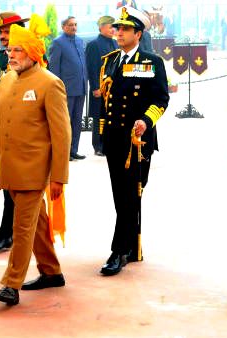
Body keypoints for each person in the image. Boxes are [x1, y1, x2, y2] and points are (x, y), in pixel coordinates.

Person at [0, 14, 71, 306]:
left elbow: (62, 135)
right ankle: (51, 271)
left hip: (35, 171)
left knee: (21, 227)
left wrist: (59, 176)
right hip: (9, 169)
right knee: (34, 224)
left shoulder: (51, 83)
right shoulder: (8, 79)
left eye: (17, 50)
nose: (11, 55)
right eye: (10, 50)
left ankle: (11, 284)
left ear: (33, 53)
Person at [98, 6, 169, 276]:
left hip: (137, 141)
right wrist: (102, 134)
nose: (119, 33)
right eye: (118, 28)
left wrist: (146, 121)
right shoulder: (110, 61)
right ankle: (132, 246)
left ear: (138, 33)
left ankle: (119, 250)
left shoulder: (152, 62)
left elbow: (161, 99)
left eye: (125, 29)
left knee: (130, 194)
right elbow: (105, 104)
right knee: (121, 195)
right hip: (114, 139)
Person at [0, 11, 30, 251]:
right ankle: (8, 231)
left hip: (24, 130)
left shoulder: (33, 58)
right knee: (6, 182)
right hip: (3, 125)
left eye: (8, 32)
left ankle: (10, 232)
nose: (3, 37)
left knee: (23, 187)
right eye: (1, 32)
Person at [48, 16, 87, 161]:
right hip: (66, 89)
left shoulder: (79, 41)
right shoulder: (58, 43)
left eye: (75, 24)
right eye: (70, 25)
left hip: (81, 87)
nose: (74, 27)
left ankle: (73, 150)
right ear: (63, 27)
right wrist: (56, 88)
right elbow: (54, 69)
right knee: (65, 122)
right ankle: (64, 151)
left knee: (77, 121)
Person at [85, 15, 117, 157]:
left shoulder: (115, 44)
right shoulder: (94, 45)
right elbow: (92, 68)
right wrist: (95, 87)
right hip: (100, 88)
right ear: (101, 28)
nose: (113, 30)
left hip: (114, 88)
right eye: (110, 27)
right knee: (99, 117)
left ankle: (109, 143)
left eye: (114, 27)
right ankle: (98, 146)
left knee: (111, 116)